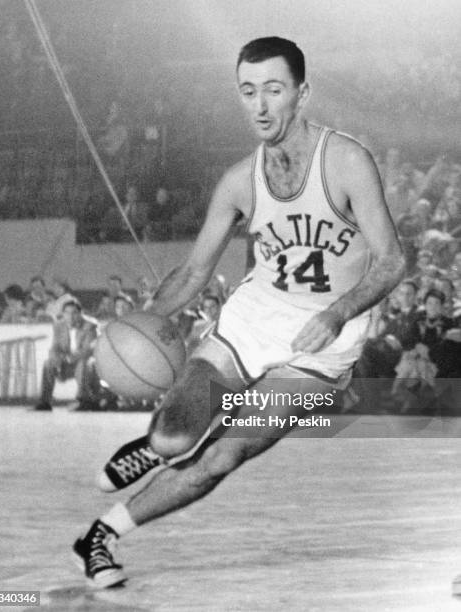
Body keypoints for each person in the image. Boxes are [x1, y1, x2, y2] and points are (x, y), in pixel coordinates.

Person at [73, 37, 405, 588]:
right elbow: (196, 271)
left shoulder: (347, 161)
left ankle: (104, 533)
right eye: (248, 92)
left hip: (324, 347)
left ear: (302, 92)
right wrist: (146, 322)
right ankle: (151, 453)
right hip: (249, 324)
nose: (260, 105)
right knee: (177, 439)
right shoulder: (237, 181)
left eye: (273, 90)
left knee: (223, 458)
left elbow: (392, 261)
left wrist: (336, 313)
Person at [35, 301, 98, 411]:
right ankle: (45, 402)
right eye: (67, 313)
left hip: (83, 363)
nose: (70, 316)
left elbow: (88, 350)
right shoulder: (59, 325)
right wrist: (56, 358)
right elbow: (55, 347)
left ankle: (83, 400)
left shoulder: (90, 326)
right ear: (63, 314)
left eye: (74, 313)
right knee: (48, 363)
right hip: (65, 363)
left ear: (80, 314)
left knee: (83, 363)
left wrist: (70, 358)